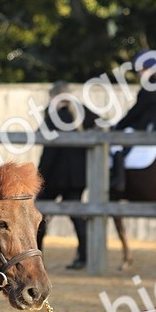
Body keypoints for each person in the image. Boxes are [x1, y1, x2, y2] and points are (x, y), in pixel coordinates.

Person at [36, 82, 89, 269]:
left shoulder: (54, 117)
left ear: (54, 97)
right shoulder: (78, 115)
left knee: (38, 214)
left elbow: (50, 151)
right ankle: (85, 257)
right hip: (77, 177)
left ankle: (36, 257)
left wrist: (39, 175)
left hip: (56, 177)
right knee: (77, 216)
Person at [111, 51, 156, 194]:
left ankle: (118, 179)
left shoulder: (150, 86)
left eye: (143, 69)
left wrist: (119, 125)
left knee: (116, 145)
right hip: (144, 124)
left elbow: (136, 111)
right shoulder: (149, 85)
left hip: (144, 126)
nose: (140, 72)